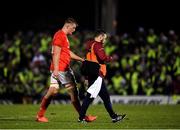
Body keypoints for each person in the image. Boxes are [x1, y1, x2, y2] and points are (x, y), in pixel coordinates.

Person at [36, 17, 96, 122]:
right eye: (73, 28)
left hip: (59, 68)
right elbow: (56, 53)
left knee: (53, 91)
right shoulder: (60, 36)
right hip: (62, 69)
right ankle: (83, 116)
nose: (74, 30)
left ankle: (40, 115)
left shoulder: (62, 36)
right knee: (73, 93)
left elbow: (67, 53)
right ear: (67, 26)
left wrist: (81, 59)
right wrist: (56, 69)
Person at [79, 29, 126, 123]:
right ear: (100, 37)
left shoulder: (90, 45)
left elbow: (89, 62)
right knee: (89, 97)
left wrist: (87, 78)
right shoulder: (97, 45)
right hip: (97, 74)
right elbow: (102, 58)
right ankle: (81, 118)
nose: (105, 40)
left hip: (93, 74)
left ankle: (114, 117)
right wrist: (111, 58)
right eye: (104, 38)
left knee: (105, 97)